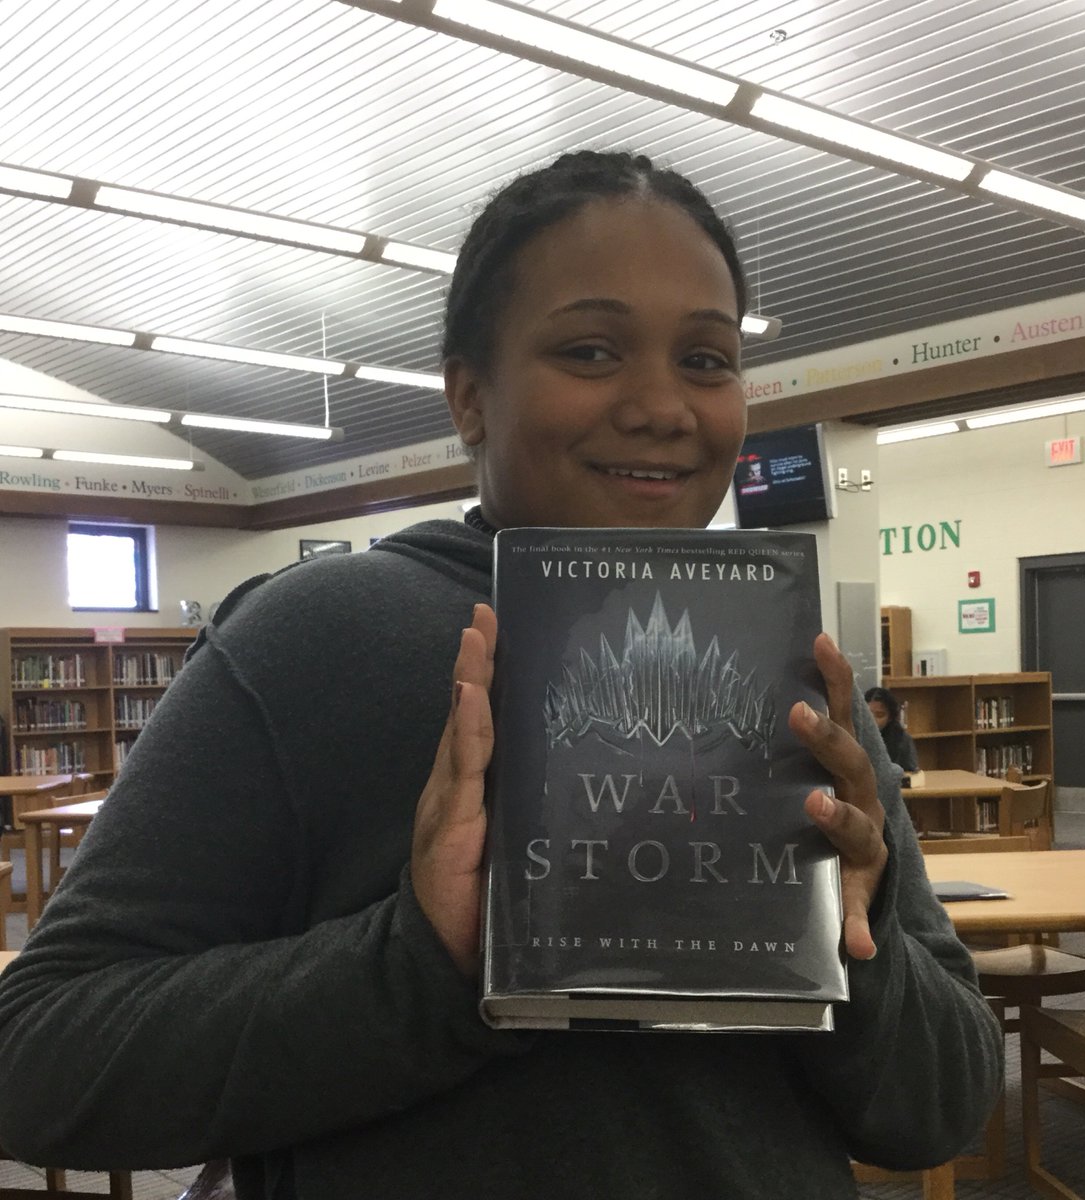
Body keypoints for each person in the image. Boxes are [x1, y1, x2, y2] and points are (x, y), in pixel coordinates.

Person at [0, 151, 1001, 1199]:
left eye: (707, 360)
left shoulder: (795, 668)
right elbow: (42, 1059)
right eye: (592, 349)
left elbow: (939, 1106)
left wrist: (863, 935)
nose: (664, 404)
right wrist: (419, 963)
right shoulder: (317, 639)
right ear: (470, 396)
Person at [864, 685, 920, 773]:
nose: (872, 720)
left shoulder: (902, 739)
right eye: (867, 714)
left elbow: (911, 774)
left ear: (890, 718)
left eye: (879, 715)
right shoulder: (852, 735)